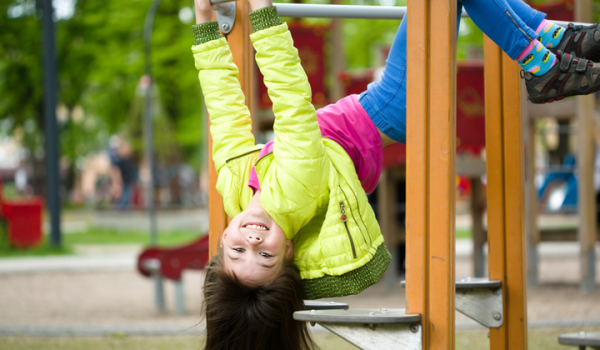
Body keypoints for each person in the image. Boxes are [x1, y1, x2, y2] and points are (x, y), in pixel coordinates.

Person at [192, 0, 600, 348]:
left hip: (375, 107)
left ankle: (543, 43)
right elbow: (289, 94)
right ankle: (540, 57)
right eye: (264, 256)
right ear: (289, 252)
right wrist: (262, 12)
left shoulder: (235, 187)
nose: (252, 239)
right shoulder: (294, 191)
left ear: (223, 239)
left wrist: (204, 23)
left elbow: (224, 109)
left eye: (237, 250)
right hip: (390, 108)